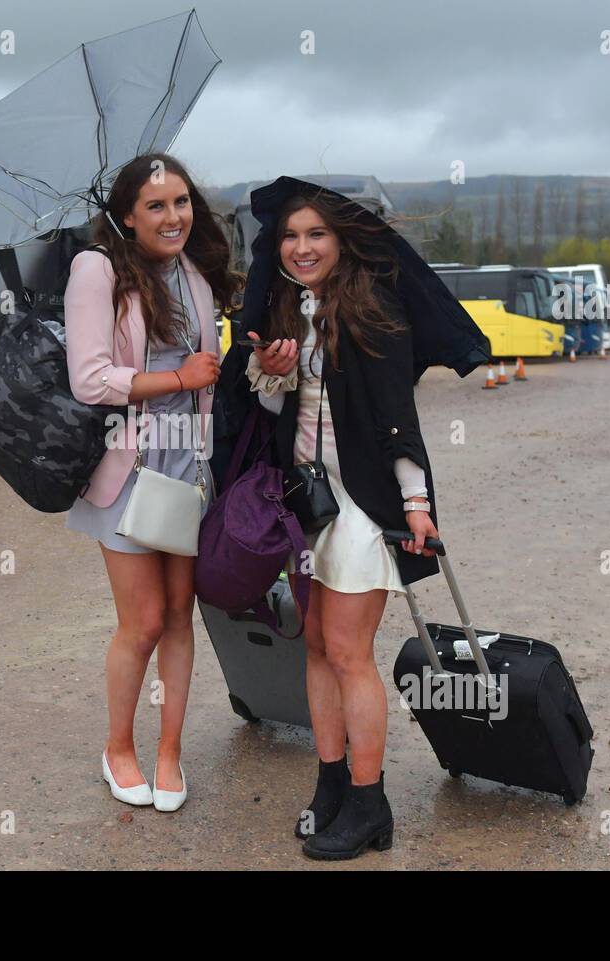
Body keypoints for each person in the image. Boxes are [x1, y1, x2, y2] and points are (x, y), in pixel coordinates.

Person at [235, 179, 485, 860]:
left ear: (342, 239)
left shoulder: (372, 308)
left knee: (348, 652)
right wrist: (270, 370)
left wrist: (416, 504)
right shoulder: (285, 307)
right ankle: (331, 784)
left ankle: (371, 804)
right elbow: (270, 415)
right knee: (314, 645)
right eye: (290, 236)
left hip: (365, 507)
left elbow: (395, 418)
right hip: (308, 504)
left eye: (316, 233)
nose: (302, 246)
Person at [63, 153, 241, 812]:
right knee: (139, 621)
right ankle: (119, 748)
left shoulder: (193, 272)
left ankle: (169, 752)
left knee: (178, 617)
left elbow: (211, 366)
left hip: (188, 466)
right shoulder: (97, 271)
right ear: (128, 215)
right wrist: (177, 379)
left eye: (183, 201)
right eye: (158, 205)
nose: (175, 216)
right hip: (129, 465)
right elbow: (89, 378)